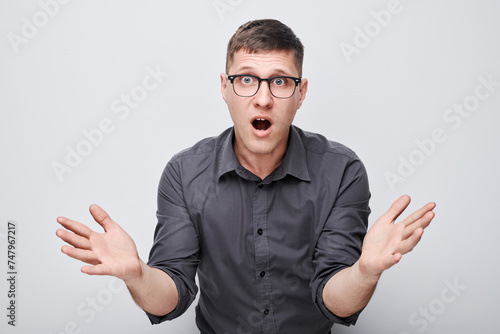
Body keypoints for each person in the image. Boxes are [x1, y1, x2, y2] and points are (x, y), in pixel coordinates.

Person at [56, 19, 436, 334]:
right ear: (225, 88)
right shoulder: (184, 174)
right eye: (247, 79)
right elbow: (172, 296)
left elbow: (335, 300)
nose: (263, 98)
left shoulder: (342, 171)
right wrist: (138, 275)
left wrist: (365, 272)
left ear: (301, 93)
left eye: (280, 81)